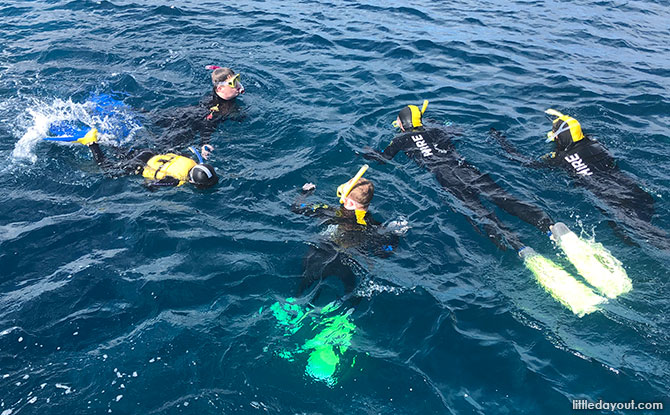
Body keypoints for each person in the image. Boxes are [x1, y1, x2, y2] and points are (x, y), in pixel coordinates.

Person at [364, 100, 553, 251]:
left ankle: (518, 247)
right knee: (504, 198)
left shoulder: (400, 139)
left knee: (482, 214)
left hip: (447, 177)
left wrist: (366, 151)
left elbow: (383, 158)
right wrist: (436, 124)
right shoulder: (436, 130)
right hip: (465, 168)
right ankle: (548, 225)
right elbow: (456, 130)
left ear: (402, 123)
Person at [491, 108, 667, 247]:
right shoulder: (596, 144)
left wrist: (502, 143)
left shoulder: (560, 159)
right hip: (635, 190)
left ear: (561, 138)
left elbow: (527, 163)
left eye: (556, 137)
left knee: (644, 237)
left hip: (615, 201)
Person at [291, 166, 402, 300]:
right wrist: (396, 234)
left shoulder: (329, 212)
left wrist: (304, 194)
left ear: (348, 201)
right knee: (352, 291)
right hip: (348, 261)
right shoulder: (375, 225)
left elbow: (296, 208)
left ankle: (296, 302)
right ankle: (349, 312)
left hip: (322, 253)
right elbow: (384, 252)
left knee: (305, 283)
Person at [151, 66, 245, 159]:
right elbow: (207, 124)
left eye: (237, 79)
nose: (238, 84)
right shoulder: (216, 108)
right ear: (220, 89)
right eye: (233, 83)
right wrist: (204, 144)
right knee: (163, 150)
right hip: (188, 123)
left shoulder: (223, 94)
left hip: (184, 112)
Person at [77, 128, 218, 189]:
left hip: (148, 153)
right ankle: (92, 143)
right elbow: (153, 184)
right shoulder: (176, 180)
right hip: (139, 164)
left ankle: (105, 139)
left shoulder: (192, 160)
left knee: (121, 153)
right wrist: (150, 188)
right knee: (108, 170)